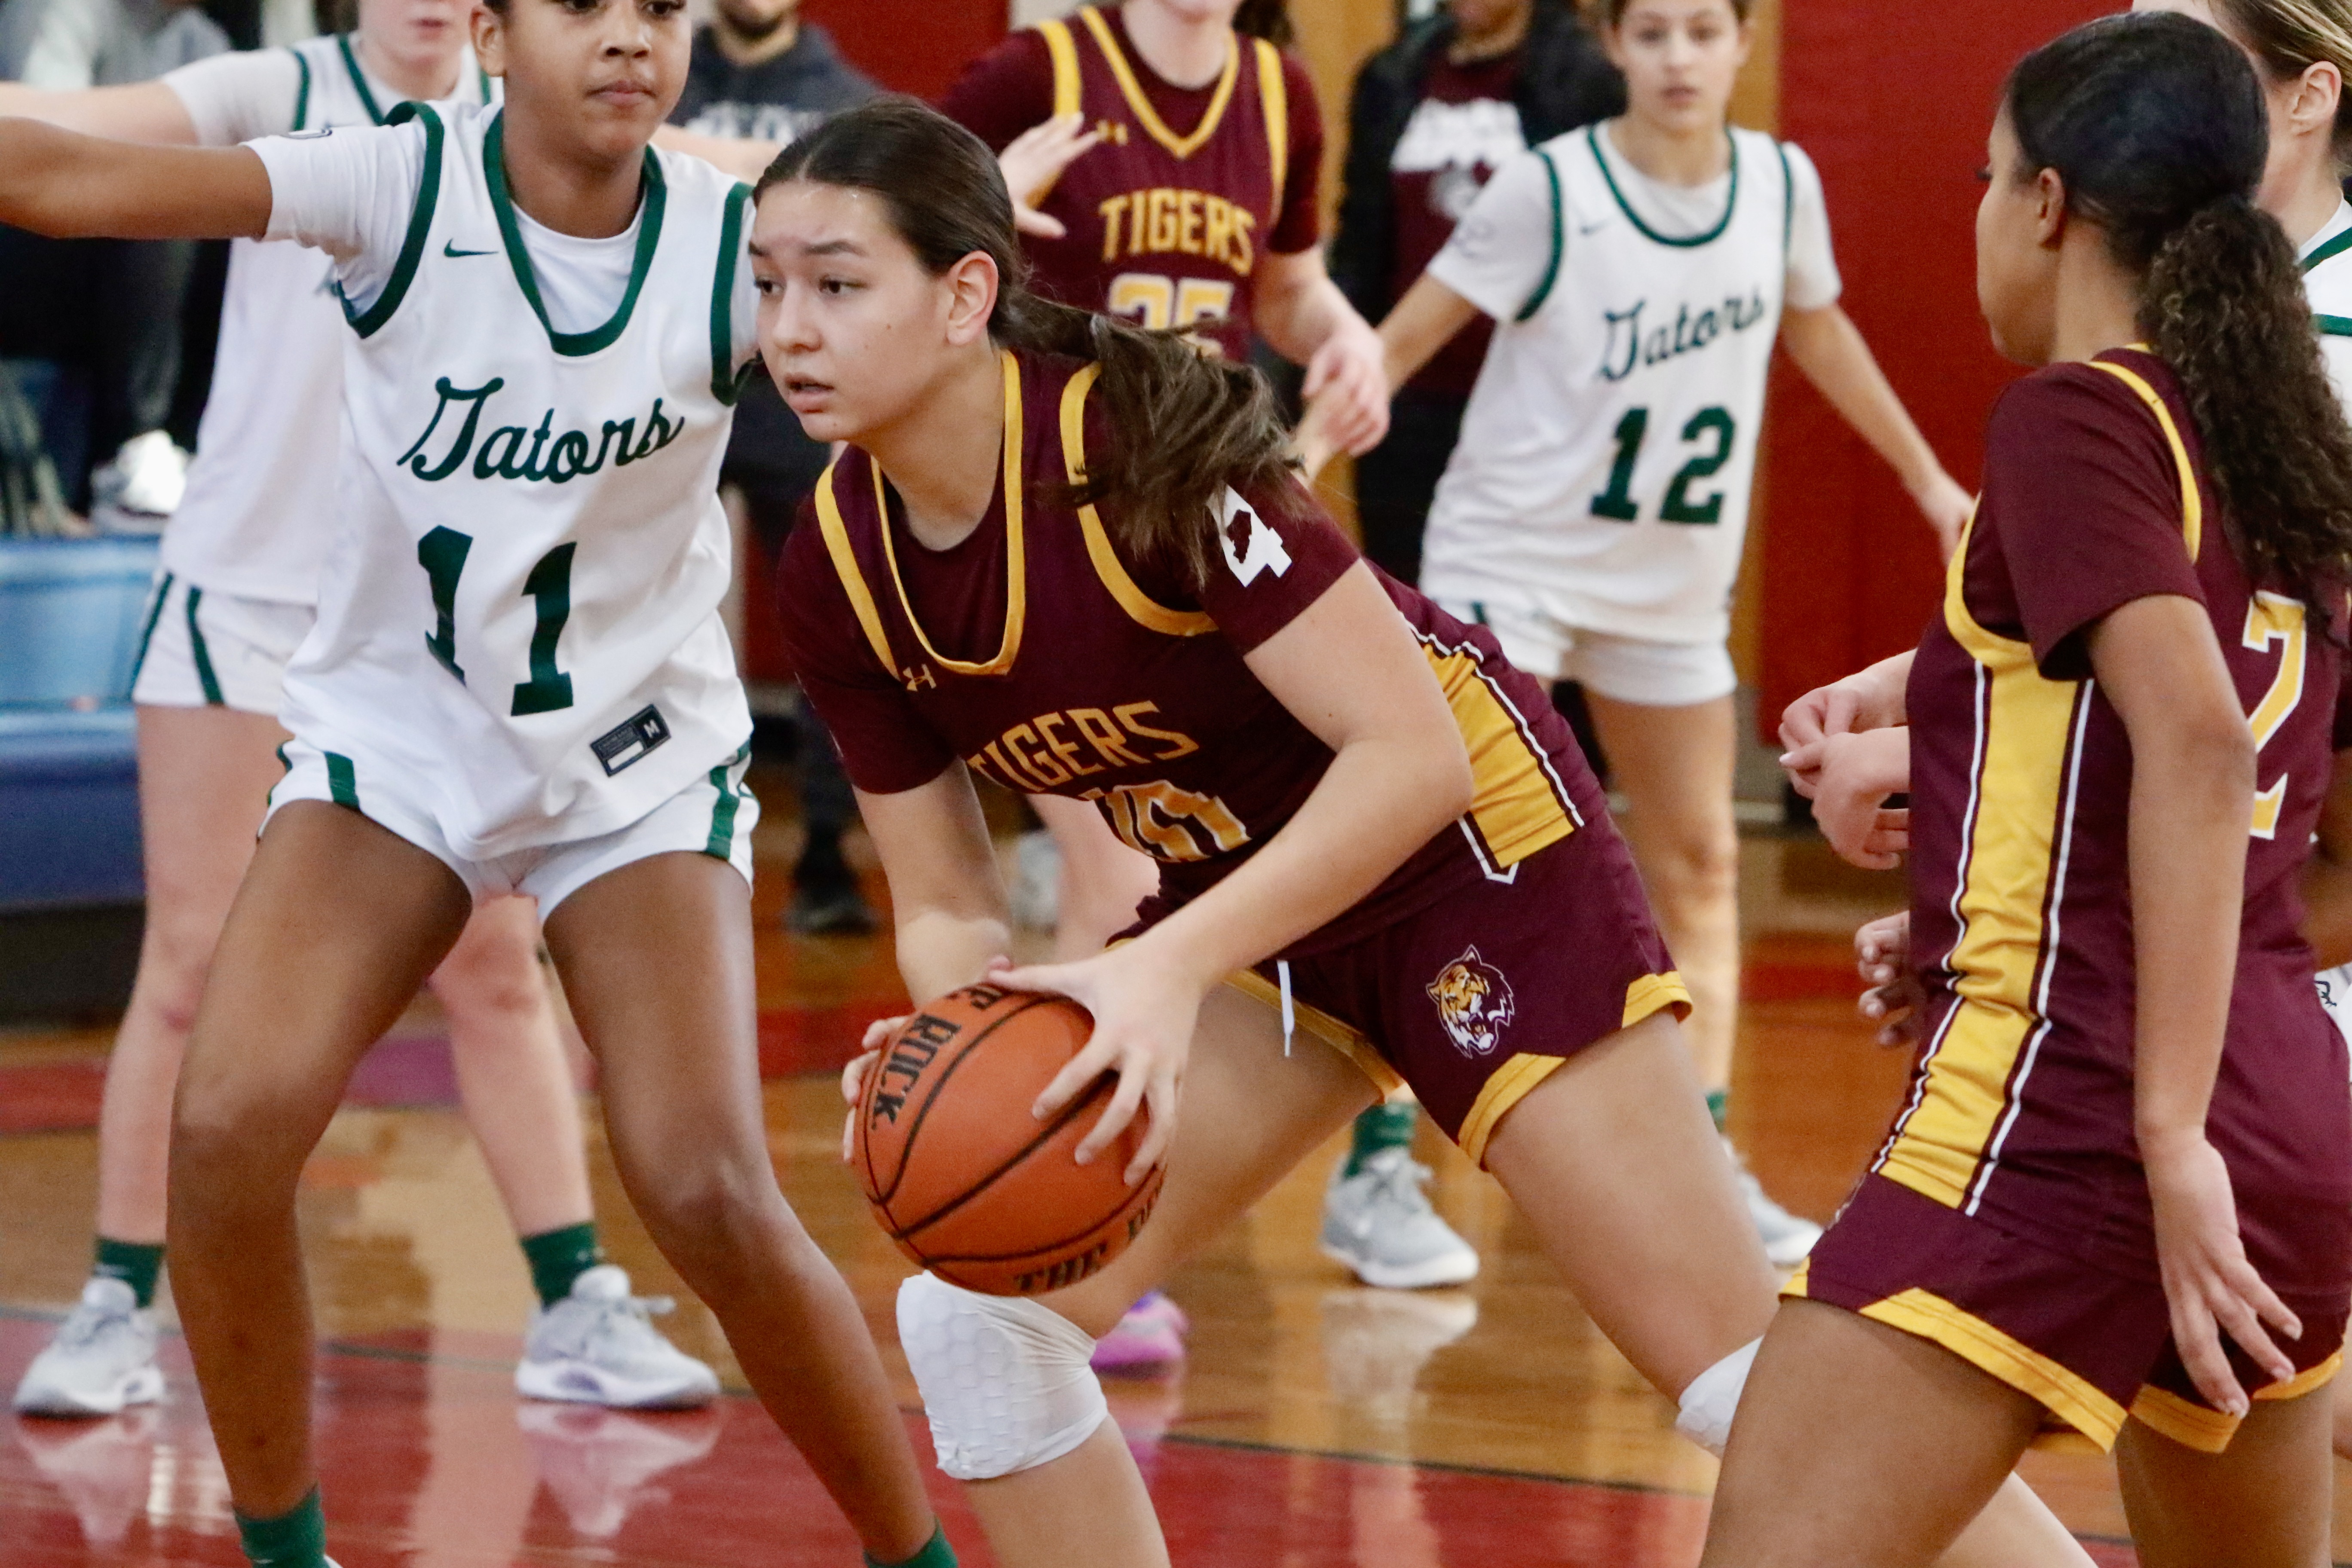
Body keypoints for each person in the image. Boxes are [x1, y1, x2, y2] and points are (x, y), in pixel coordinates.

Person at [754, 96, 2094, 1568]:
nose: (791, 328)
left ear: (964, 297)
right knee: (980, 1315)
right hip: (1263, 908)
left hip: (1470, 856)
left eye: (836, 282)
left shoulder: (1128, 449)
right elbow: (944, 893)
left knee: (1739, 1384)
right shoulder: (837, 564)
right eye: (767, 286)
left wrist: (1151, 969)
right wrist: (958, 1024)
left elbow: (1412, 763)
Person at [0, 0, 954, 1561]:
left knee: (706, 1183)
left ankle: (915, 1554)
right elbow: (61, 178)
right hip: (405, 744)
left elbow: (943, 343)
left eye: (659, 9)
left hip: (632, 763)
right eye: (586, 6)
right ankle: (284, 1545)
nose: (633, 38)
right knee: (229, 1127)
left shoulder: (741, 244)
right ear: (499, 36)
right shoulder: (392, 182)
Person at [0, 0, 717, 1421]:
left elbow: (762, 186)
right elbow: (69, 148)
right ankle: (114, 1299)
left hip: (425, 635)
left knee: (501, 967)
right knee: (190, 965)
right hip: (251, 598)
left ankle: (577, 1295)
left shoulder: (565, 116)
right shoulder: (290, 90)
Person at [1708, 15, 2352, 1565]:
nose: (1980, 214)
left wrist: (2159, 1123)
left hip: (2082, 1122)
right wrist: (1981, 915)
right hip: (2283, 1113)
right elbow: (2264, 789)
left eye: (1984, 178)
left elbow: (2196, 743)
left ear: (2047, 203)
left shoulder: (2079, 413)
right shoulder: (2285, 455)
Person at [1369, 0, 1973, 1268]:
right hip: (1511, 563)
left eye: (1705, 31)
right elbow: (1401, 345)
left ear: (1744, 41)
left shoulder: (1780, 184)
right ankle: (1378, 1174)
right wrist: (1286, 469)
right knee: (1447, 856)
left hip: (1666, 585)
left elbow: (1816, 325)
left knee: (1701, 864)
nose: (1681, 59)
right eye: (1654, 35)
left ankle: (1701, 1171)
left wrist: (1926, 479)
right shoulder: (1551, 189)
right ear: (1613, 47)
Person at [940, 0, 1444, 1354]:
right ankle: (1064, 1231)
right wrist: (982, 218)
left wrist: (1345, 339)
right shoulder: (1044, 69)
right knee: (1116, 886)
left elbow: (1284, 286)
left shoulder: (1281, 92)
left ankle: (1273, 1183)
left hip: (1201, 540)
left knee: (1290, 857)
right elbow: (894, 235)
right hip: (1041, 533)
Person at [1317, 0, 1624, 1292]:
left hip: (1548, 450)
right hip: (1412, 432)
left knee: (1558, 788)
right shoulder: (1395, 71)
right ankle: (1380, 1155)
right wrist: (1327, 402)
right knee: (1432, 774)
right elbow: (1355, 251)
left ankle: (1597, 1121)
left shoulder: (1575, 75)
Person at [668, 0, 877, 934]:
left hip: (794, 392)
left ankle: (827, 857)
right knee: (619, 610)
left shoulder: (849, 105)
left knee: (836, 613)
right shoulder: (656, 71)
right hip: (665, 384)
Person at [1330, 0, 1622, 587]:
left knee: (1527, 640)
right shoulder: (1394, 74)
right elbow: (1360, 242)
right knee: (1403, 616)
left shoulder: (1587, 78)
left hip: (1537, 413)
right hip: (1405, 407)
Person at [0, 0, 228, 519]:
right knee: (161, 198)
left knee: (246, 220)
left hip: (119, 271)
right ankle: (131, 444)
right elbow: (36, 156)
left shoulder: (202, 41)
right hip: (25, 244)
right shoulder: (68, 10)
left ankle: (189, 448)